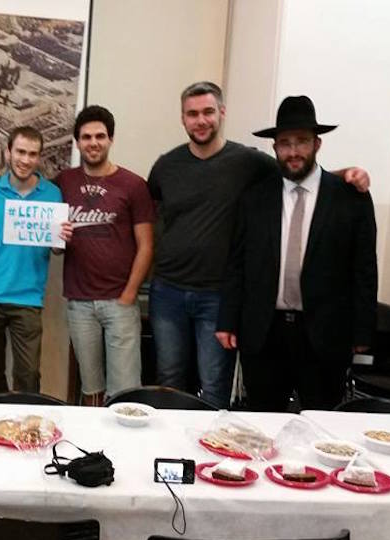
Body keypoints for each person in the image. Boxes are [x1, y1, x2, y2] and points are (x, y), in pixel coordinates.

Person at [147, 81, 371, 409]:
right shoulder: (173, 167)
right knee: (174, 380)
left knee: (217, 387)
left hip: (292, 322)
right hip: (200, 305)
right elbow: (152, 216)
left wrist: (348, 174)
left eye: (208, 111)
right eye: (192, 114)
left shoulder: (253, 165)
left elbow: (363, 266)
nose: (293, 151)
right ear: (182, 119)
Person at [216, 95, 377, 411]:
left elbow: (364, 270)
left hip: (324, 333)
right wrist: (227, 319)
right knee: (263, 421)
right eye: (284, 143)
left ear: (317, 144)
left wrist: (362, 332)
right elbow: (237, 264)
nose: (293, 151)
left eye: (301, 141)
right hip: (264, 332)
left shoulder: (349, 198)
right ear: (274, 147)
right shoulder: (255, 198)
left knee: (320, 421)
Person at [55, 106, 155, 406]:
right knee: (90, 389)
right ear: (77, 142)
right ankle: (95, 451)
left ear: (111, 139)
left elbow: (147, 245)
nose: (93, 142)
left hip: (119, 302)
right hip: (79, 302)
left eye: (100, 136)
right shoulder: (62, 182)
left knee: (125, 392)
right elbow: (52, 241)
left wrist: (129, 294)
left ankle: (122, 450)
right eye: (86, 137)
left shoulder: (134, 185)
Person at [0, 126, 72, 395]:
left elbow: (57, 251)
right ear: (8, 153)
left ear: (39, 158)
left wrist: (62, 239)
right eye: (20, 152)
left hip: (28, 299)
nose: (25, 160)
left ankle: (26, 433)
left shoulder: (52, 194)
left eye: (32, 154)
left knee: (28, 375)